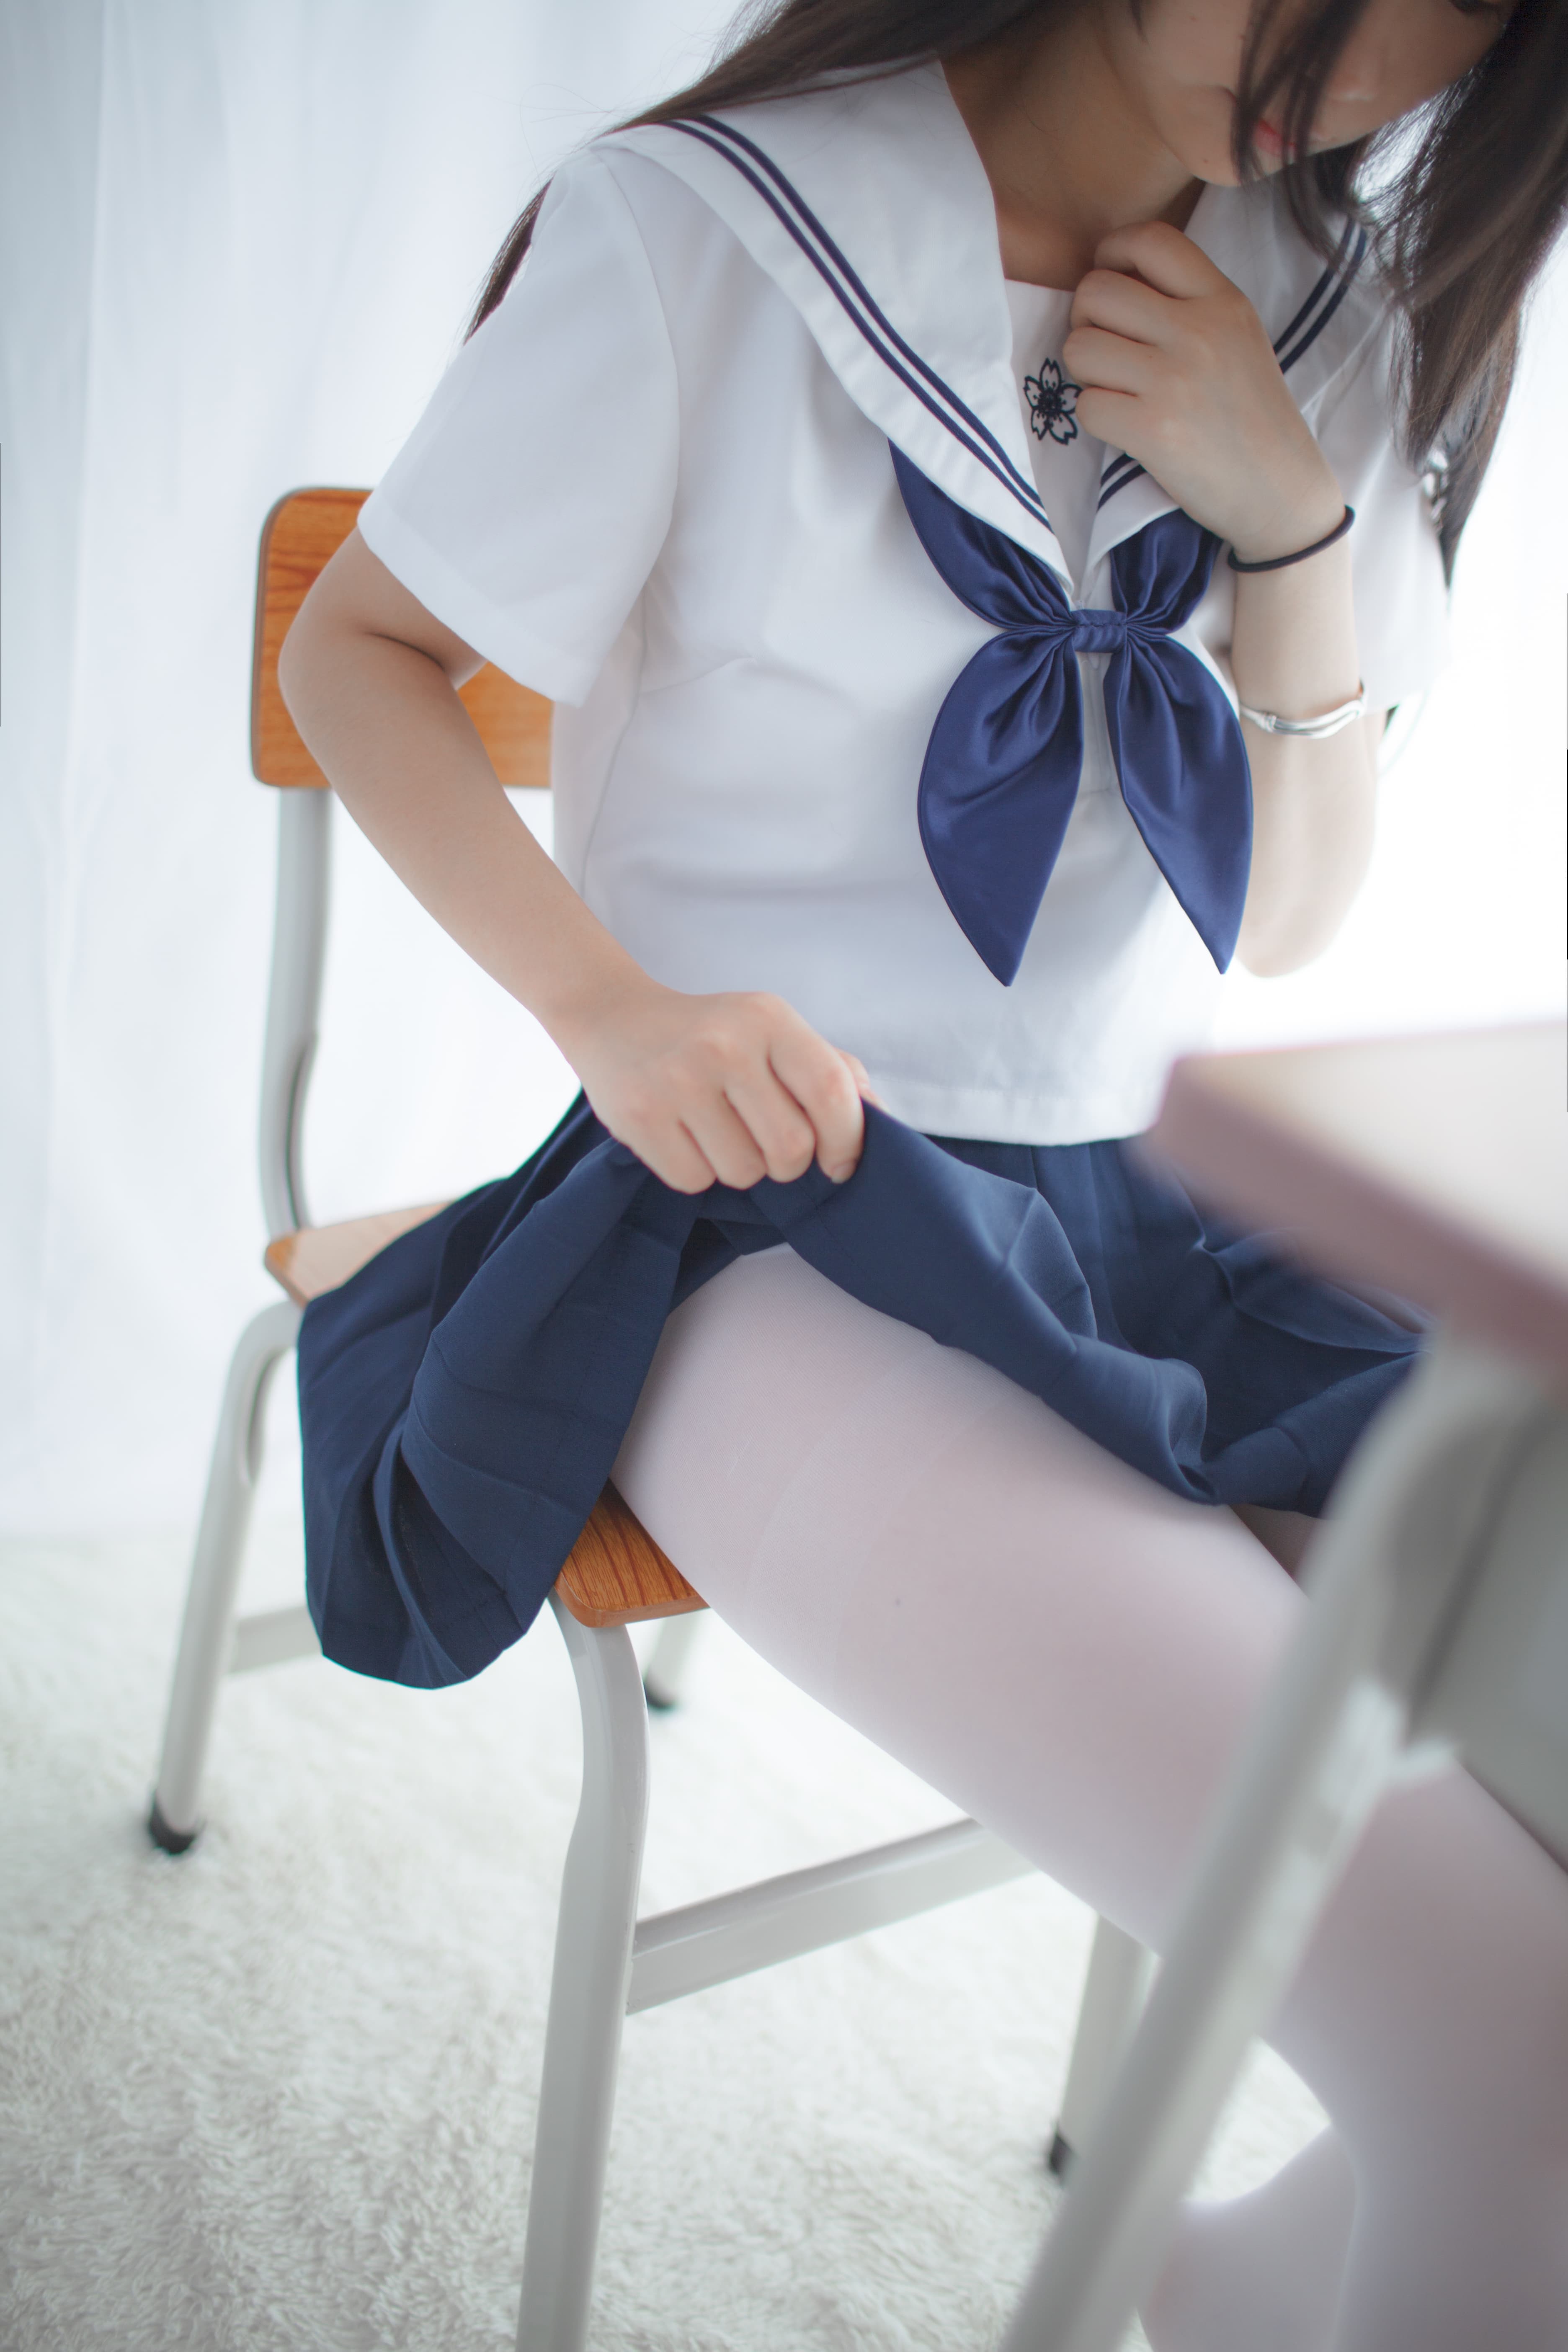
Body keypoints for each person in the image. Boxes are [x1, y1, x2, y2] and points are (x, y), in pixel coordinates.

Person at [279, 2, 1568, 2344]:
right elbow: (365, 646)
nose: (1356, 50)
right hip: (759, 1211)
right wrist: (613, 1008)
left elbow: (1279, 913)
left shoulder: (1332, 319)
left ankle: (1262, 2283)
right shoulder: (709, 235)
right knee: (1520, 2035)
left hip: (1145, 1215)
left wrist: (1284, 519)